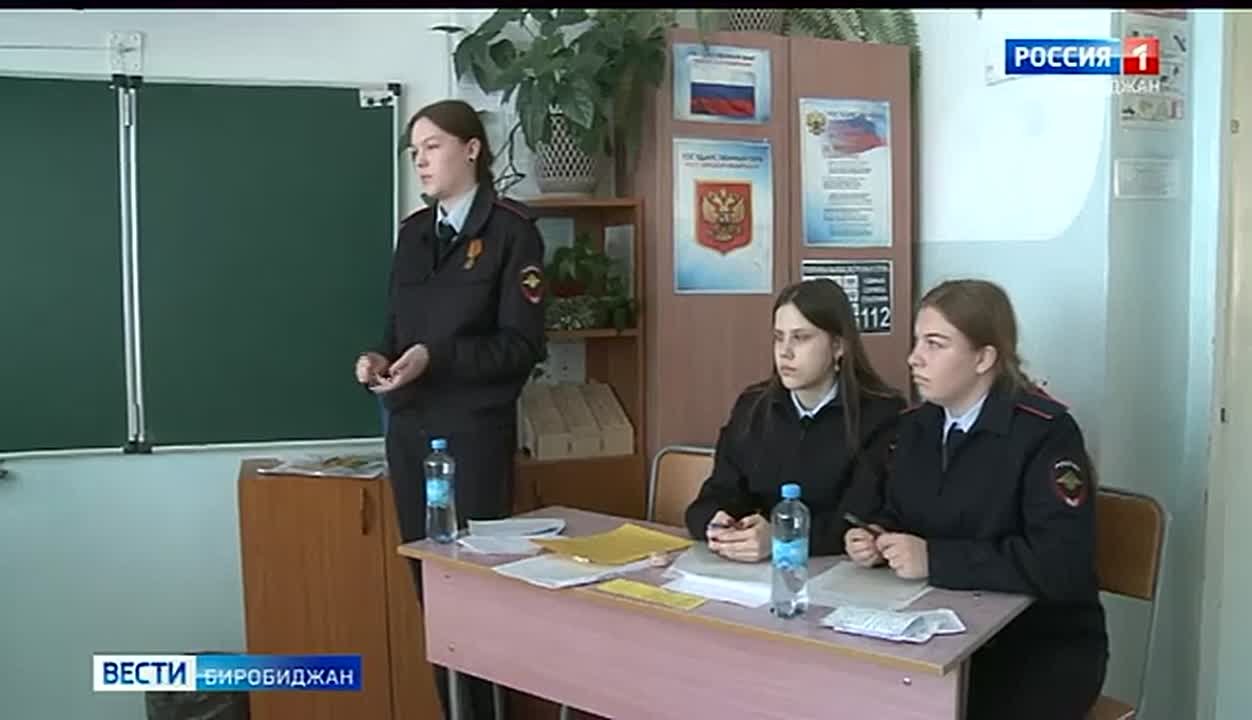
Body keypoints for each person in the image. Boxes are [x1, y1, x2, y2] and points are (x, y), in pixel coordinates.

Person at [354, 99, 546, 720]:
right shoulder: (413, 233)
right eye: (414, 151)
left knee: (479, 601)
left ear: (471, 149)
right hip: (410, 434)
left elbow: (521, 348)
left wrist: (435, 357)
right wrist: (377, 359)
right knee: (432, 597)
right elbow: (395, 329)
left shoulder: (513, 231)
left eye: (432, 146)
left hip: (473, 441)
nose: (421, 160)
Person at [845, 279, 1108, 720]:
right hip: (937, 631)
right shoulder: (916, 426)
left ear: (984, 358)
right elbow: (899, 511)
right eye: (917, 341)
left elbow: (1059, 563)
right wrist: (876, 537)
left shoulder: (1045, 432)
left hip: (1036, 647)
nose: (914, 358)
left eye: (935, 344)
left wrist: (934, 559)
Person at [684, 279, 905, 561]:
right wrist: (717, 524)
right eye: (779, 337)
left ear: (838, 346)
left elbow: (858, 519)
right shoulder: (753, 406)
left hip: (833, 570)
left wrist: (781, 537)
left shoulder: (881, 414)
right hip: (753, 569)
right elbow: (712, 498)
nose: (785, 351)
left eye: (800, 338)